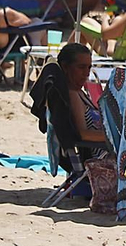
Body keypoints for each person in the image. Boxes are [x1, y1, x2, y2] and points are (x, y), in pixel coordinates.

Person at [30, 42, 117, 214]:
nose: (86, 73)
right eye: (81, 67)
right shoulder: (71, 95)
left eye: (89, 67)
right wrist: (115, 137)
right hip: (99, 154)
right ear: (65, 67)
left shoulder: (78, 92)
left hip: (101, 147)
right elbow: (82, 134)